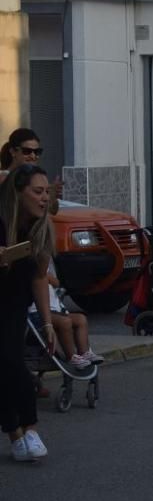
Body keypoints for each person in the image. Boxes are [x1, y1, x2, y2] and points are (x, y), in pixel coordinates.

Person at [0, 164, 56, 461]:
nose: (45, 198)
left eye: (47, 191)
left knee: (10, 360)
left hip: (14, 304)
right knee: (5, 364)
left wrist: (47, 323)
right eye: (38, 191)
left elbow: (39, 277)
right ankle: (18, 431)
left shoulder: (42, 227)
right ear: (18, 194)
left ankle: (26, 431)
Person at [29, 261, 103, 370]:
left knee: (81, 319)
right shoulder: (33, 274)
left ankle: (84, 352)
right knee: (65, 322)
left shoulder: (45, 272)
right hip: (37, 312)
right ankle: (71, 356)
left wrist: (48, 277)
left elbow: (56, 283)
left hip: (55, 310)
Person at [1, 128, 61, 214]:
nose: (33, 156)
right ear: (13, 152)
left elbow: (52, 211)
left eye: (37, 152)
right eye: (27, 151)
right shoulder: (5, 179)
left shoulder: (34, 177)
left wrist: (51, 194)